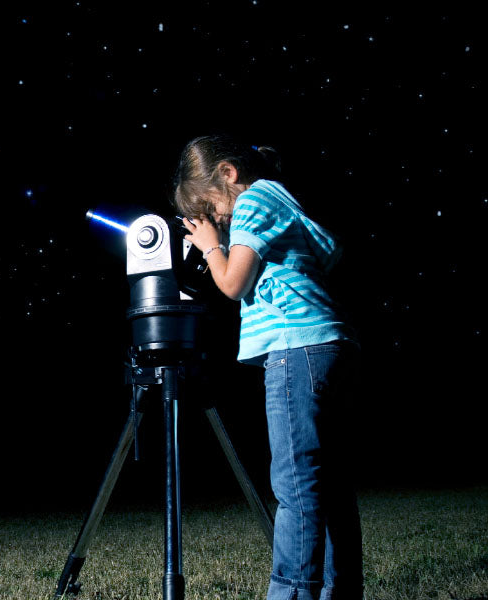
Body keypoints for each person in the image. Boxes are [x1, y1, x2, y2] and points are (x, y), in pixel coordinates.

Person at [173, 134, 364, 600]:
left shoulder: (256, 198)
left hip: (295, 350)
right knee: (330, 483)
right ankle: (341, 590)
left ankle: (292, 592)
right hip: (328, 345)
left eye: (211, 207)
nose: (216, 219)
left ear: (229, 174)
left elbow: (233, 283)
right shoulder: (280, 198)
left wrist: (209, 245)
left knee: (296, 482)